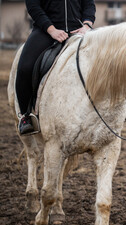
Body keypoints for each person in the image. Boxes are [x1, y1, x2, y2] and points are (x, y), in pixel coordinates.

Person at [16, 0, 96, 135]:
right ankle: (26, 116)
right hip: (46, 31)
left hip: (79, 30)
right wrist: (51, 30)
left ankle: (118, 105)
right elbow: (33, 6)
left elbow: (89, 4)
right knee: (25, 68)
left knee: (110, 58)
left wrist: (87, 25)